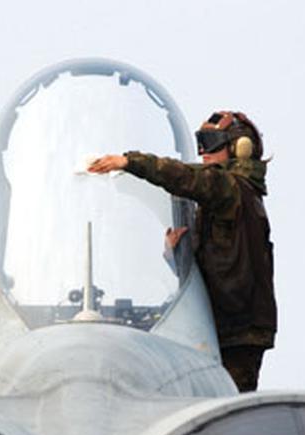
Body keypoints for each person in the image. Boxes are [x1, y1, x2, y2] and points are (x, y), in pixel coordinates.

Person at [88, 111, 277, 392]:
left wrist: (130, 162)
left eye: (211, 142)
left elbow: (186, 177)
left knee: (226, 413)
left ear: (240, 147)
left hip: (237, 331)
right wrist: (178, 256)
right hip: (223, 324)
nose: (203, 151)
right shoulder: (229, 200)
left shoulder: (231, 189)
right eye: (200, 141)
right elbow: (220, 266)